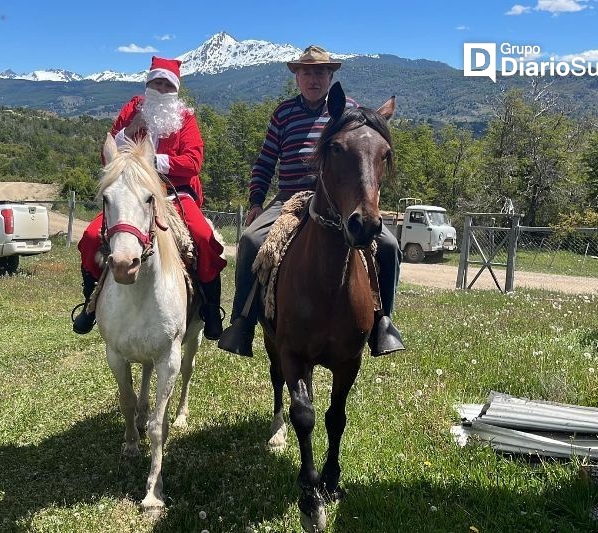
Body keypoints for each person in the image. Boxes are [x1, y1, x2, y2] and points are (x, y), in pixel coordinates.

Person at [217, 45, 405, 357]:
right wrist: (255, 202)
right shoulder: (284, 113)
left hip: (338, 200)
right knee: (250, 239)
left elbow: (365, 158)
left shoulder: (350, 113)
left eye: (320, 71)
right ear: (298, 78)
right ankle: (243, 323)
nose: (313, 78)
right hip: (289, 198)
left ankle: (383, 322)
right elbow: (265, 162)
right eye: (307, 72)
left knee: (388, 246)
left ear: (330, 76)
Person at [72, 56, 227, 340]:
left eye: (167, 85)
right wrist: (131, 129)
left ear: (176, 89)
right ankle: (91, 304)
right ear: (148, 85)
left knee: (205, 238)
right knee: (93, 237)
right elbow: (108, 156)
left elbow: (193, 162)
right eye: (156, 83)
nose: (161, 89)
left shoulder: (185, 118)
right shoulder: (133, 109)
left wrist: (152, 163)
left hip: (174, 193)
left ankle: (211, 309)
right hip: (133, 192)